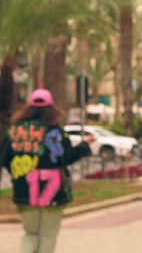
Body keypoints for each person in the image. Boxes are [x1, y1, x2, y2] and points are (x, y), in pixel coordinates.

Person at [0, 88, 94, 253]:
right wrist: (84, 146)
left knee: (30, 234)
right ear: (52, 108)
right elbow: (67, 157)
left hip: (24, 191)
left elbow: (4, 157)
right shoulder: (55, 131)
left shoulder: (15, 132)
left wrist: (17, 172)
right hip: (53, 193)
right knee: (48, 236)